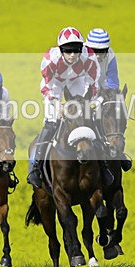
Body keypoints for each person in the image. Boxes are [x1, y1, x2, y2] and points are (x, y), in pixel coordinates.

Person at [27, 26, 114, 188]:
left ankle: (103, 166)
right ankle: (35, 167)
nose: (73, 55)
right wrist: (57, 104)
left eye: (76, 50)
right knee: (51, 122)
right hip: (55, 85)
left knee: (87, 119)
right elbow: (47, 86)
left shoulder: (89, 56)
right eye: (68, 51)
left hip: (77, 81)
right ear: (60, 50)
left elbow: (92, 83)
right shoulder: (49, 59)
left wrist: (88, 102)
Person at [85, 28, 132, 171]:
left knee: (113, 114)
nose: (99, 55)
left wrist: (101, 99)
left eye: (103, 51)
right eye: (95, 51)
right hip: (82, 93)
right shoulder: (81, 56)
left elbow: (112, 82)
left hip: (103, 94)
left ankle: (117, 150)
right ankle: (38, 161)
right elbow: (80, 82)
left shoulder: (110, 55)